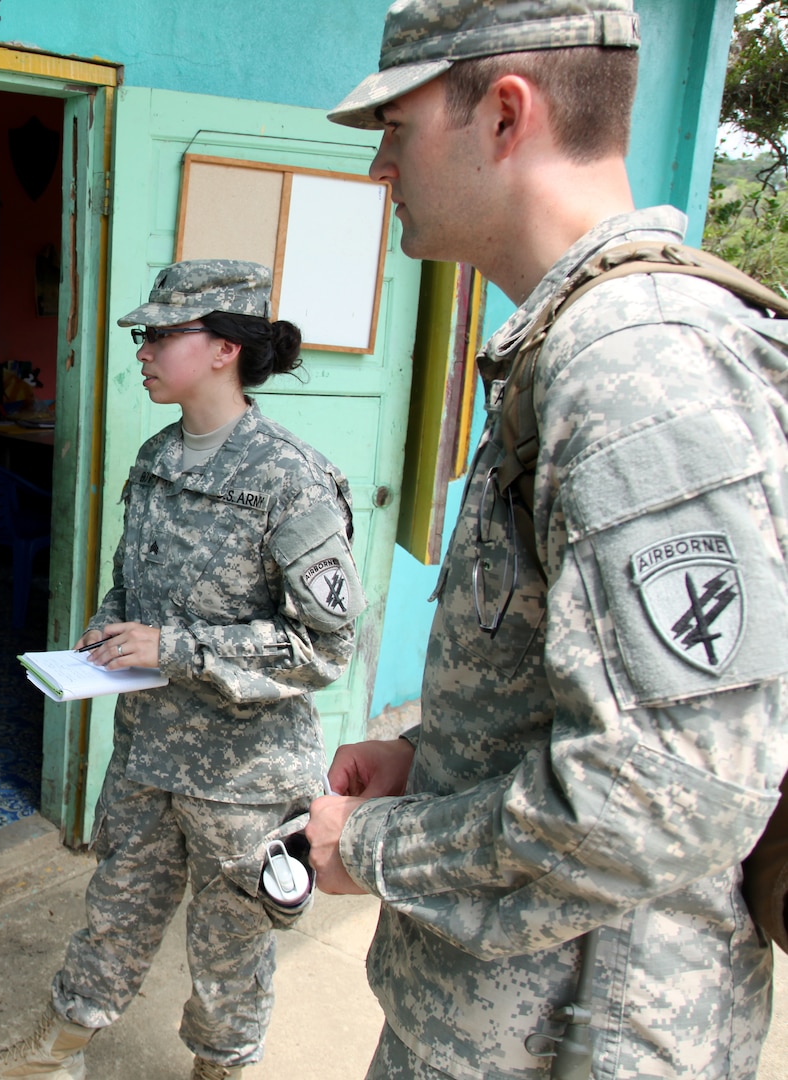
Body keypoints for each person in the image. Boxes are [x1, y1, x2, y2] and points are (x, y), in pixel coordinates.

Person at [308, 2, 788, 1077]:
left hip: (577, 1037)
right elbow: (597, 686)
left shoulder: (634, 364)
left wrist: (372, 847)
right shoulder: (579, 344)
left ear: (505, 116)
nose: (382, 165)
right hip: (503, 1017)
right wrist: (433, 759)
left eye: (399, 124)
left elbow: (672, 790)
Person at [0, 260, 367, 1080]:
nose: (141, 351)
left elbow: (326, 645)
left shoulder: (290, 478)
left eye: (159, 335)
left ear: (223, 348)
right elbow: (131, 584)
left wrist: (172, 649)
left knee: (231, 942)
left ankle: (221, 1067)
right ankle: (61, 1045)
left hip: (242, 777)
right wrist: (109, 630)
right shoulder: (156, 457)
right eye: (143, 337)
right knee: (116, 906)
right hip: (149, 751)